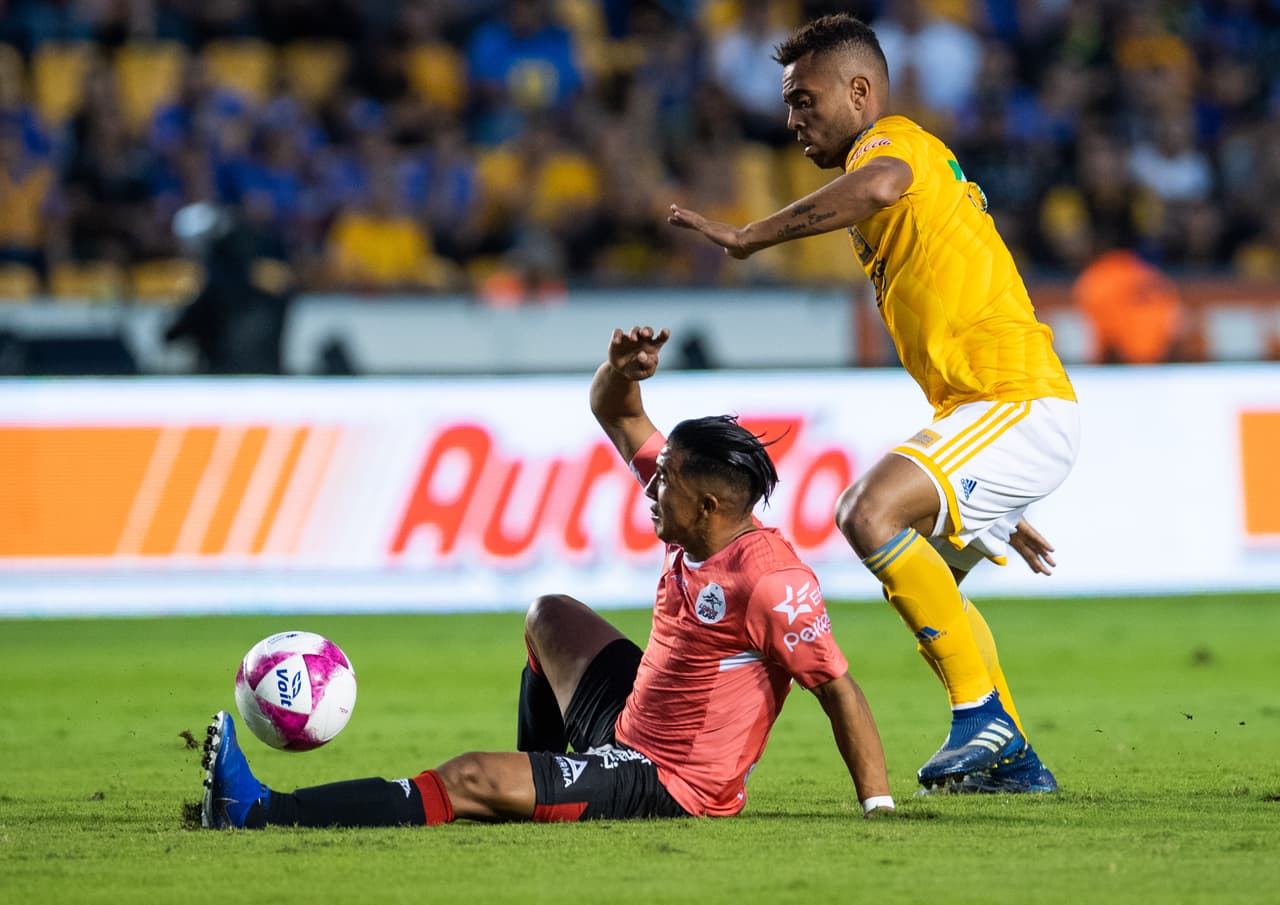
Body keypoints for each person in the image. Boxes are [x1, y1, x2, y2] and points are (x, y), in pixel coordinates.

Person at [199, 325, 895, 829]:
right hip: (629, 722)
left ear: (710, 505)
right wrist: (623, 367)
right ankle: (547, 780)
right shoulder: (696, 516)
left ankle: (259, 810)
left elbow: (835, 685)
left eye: (665, 483)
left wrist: (877, 806)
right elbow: (615, 410)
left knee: (468, 776)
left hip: (671, 780)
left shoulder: (772, 580)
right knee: (549, 615)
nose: (651, 487)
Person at [668, 13, 1079, 794]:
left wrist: (754, 236)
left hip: (1015, 398)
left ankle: (980, 713)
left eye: (805, 100)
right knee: (929, 572)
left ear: (861, 91)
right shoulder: (900, 173)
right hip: (995, 416)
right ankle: (1014, 757)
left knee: (866, 512)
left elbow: (882, 183)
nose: (792, 120)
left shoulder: (890, 144)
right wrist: (996, 483)